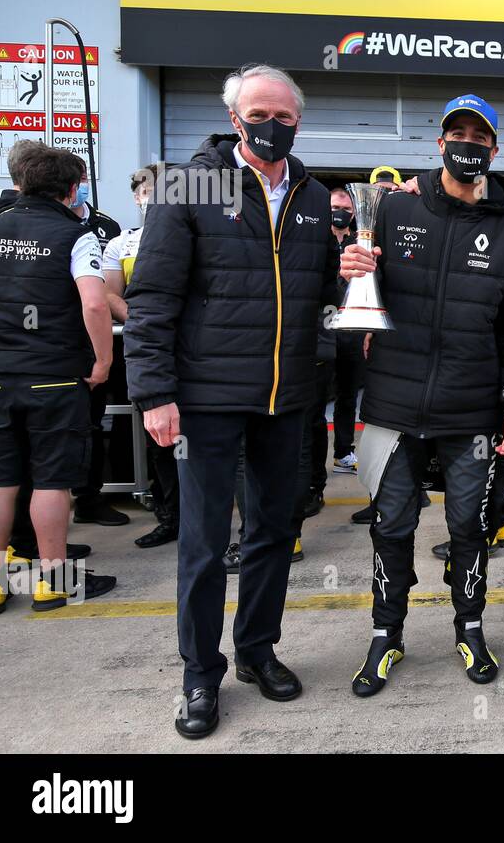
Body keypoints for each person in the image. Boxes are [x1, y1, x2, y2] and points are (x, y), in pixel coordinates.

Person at [126, 64, 338, 739]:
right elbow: (153, 295)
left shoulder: (311, 194)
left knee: (276, 532)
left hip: (286, 397)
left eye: (284, 114)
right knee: (205, 541)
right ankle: (198, 675)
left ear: (297, 121)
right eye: (258, 112)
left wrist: (353, 275)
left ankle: (257, 650)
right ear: (234, 116)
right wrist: (153, 392)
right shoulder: (188, 185)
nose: (271, 124)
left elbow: (321, 291)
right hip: (205, 399)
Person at [339, 94, 504, 694]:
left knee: (469, 530)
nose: (468, 146)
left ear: (495, 150)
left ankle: (471, 628)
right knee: (391, 527)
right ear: (440, 143)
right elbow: (352, 302)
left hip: (470, 410)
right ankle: (385, 636)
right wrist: (347, 269)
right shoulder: (394, 210)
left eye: (480, 138)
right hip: (390, 409)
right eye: (458, 134)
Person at [0, 145, 118, 618]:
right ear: (74, 188)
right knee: (51, 480)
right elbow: (96, 304)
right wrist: (103, 362)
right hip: (56, 377)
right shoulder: (76, 235)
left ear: (18, 182)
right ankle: (53, 581)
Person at [103, 166, 182, 549]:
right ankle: (170, 518)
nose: (153, 196)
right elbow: (109, 294)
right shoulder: (121, 244)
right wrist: (144, 321)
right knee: (160, 440)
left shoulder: (188, 234)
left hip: (192, 354)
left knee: (206, 439)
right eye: (147, 190)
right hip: (149, 353)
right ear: (136, 196)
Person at [68, 164, 128, 528]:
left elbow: (105, 292)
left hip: (99, 340)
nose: (81, 188)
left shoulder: (106, 227)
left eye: (85, 180)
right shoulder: (53, 225)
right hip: (62, 340)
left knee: (93, 420)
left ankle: (91, 497)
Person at [328, 187, 365, 476]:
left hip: (351, 331)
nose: (340, 213)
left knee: (347, 395)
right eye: (334, 207)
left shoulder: (359, 243)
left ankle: (343, 452)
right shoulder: (315, 239)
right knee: (314, 397)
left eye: (346, 209)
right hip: (321, 333)